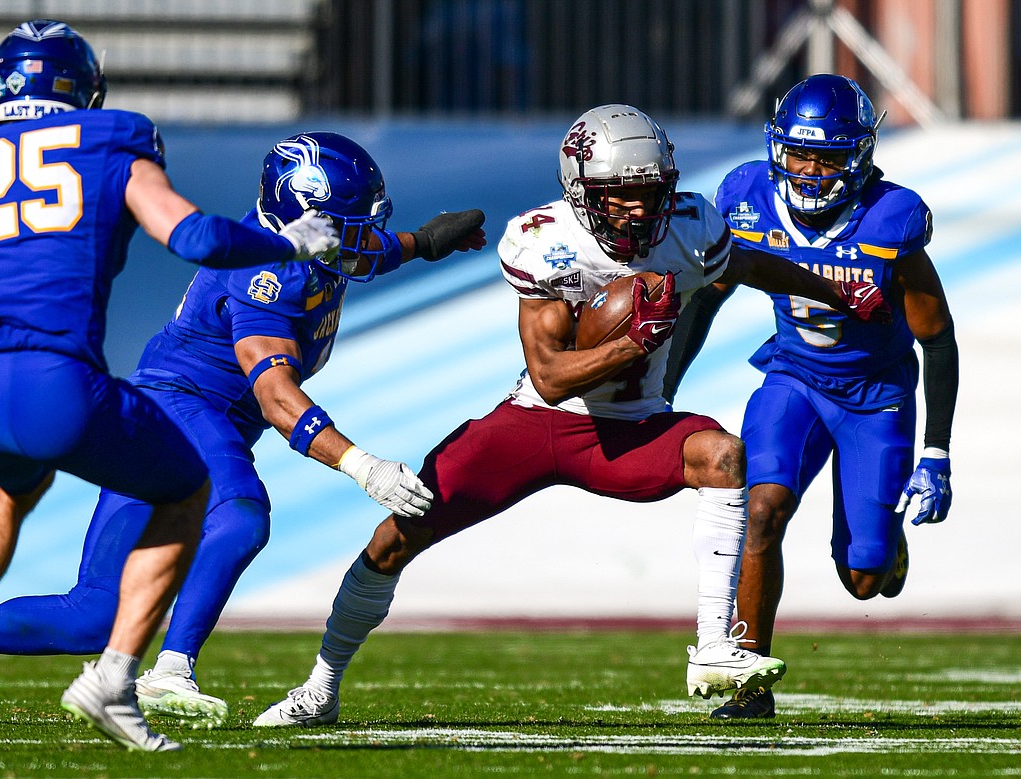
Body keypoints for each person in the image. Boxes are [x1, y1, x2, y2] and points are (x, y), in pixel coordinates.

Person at [250, 103, 894, 727]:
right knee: (394, 540)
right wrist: (632, 341)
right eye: (621, 194)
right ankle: (320, 686)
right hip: (535, 425)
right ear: (581, 188)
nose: (640, 209)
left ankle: (713, 650)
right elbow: (550, 379)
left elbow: (746, 263)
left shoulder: (691, 227)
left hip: (633, 426)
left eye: (651, 191)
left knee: (725, 457)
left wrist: (833, 287)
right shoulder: (546, 243)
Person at [0, 131, 487, 730]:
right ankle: (171, 670)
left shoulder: (313, 240)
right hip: (182, 409)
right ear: (306, 220)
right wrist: (361, 465)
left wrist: (426, 242)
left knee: (90, 617)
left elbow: (363, 249)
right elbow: (274, 397)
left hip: (170, 414)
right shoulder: (266, 273)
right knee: (240, 517)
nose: (365, 234)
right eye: (352, 221)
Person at [0, 20, 342, 751]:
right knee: (189, 489)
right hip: (56, 383)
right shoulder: (109, 141)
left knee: (12, 494)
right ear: (84, 89)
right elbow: (196, 238)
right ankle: (118, 677)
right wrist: (285, 242)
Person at [663, 74, 957, 720]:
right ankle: (751, 685)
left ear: (858, 156)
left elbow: (936, 338)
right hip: (793, 378)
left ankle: (883, 549)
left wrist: (936, 452)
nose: (811, 169)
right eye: (800, 152)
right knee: (761, 510)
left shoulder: (890, 218)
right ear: (777, 148)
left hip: (875, 396)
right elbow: (707, 298)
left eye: (827, 156)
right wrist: (665, 388)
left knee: (863, 577)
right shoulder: (746, 200)